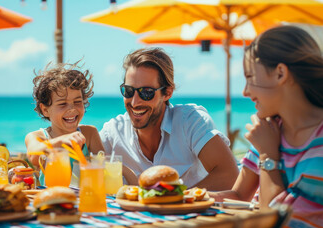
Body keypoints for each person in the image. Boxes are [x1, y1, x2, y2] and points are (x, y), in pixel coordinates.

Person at [209, 26, 323, 228]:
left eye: (250, 77)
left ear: (280, 73)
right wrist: (189, 196)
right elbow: (239, 195)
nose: (245, 92)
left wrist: (268, 157)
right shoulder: (269, 130)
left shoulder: (315, 147)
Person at [99, 48, 239, 189]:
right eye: (128, 91)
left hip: (196, 210)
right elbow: (85, 169)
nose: (135, 102)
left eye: (146, 93)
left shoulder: (191, 121)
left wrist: (177, 200)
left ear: (167, 93)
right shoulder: (113, 132)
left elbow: (230, 175)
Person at [25, 61, 105, 185]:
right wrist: (61, 141)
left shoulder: (89, 134)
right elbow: (33, 155)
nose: (72, 109)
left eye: (78, 101)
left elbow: (103, 169)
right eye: (62, 104)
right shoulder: (37, 137)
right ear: (45, 110)